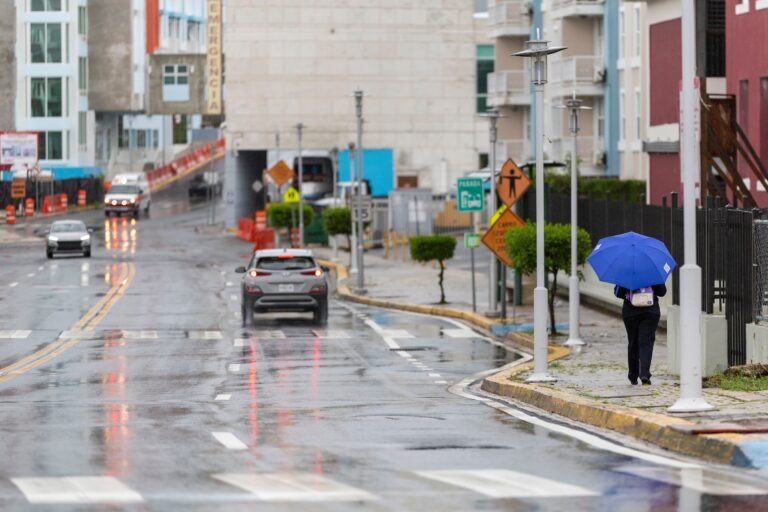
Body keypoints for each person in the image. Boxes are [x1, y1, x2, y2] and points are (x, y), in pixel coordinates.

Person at [614, 283, 667, 385]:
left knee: (633, 342)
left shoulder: (626, 272)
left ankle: (633, 375)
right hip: (650, 311)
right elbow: (662, 292)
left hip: (631, 311)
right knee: (646, 342)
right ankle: (644, 373)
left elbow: (618, 293)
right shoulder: (652, 271)